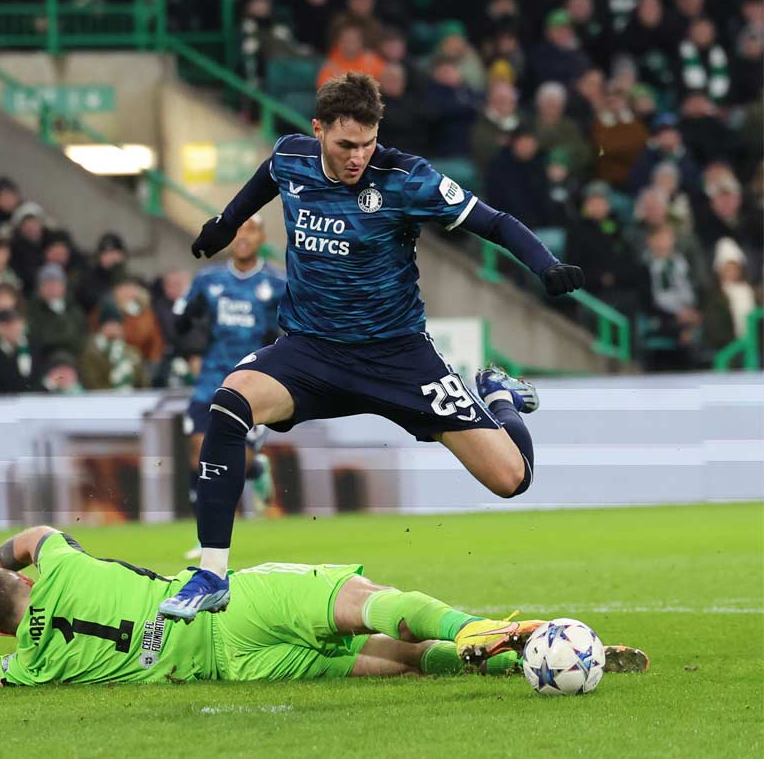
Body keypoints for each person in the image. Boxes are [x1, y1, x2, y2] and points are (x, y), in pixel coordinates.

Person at [160, 73, 585, 623]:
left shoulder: (408, 178)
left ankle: (496, 395)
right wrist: (225, 223)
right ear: (318, 131)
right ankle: (211, 573)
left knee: (512, 480)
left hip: (398, 357)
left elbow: (495, 223)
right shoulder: (292, 157)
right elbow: (268, 177)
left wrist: (546, 266)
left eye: (367, 143)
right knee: (229, 401)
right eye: (345, 145)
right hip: (312, 350)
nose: (358, 156)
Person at [0, 525, 648, 688]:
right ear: (19, 584)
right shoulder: (53, 561)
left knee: (378, 662)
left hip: (226, 667)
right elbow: (27, 535)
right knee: (370, 604)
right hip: (228, 607)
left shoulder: (32, 663)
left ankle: (494, 655)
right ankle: (487, 633)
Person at [174, 215, 285, 531]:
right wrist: (192, 353)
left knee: (238, 459)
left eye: (250, 229)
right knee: (198, 453)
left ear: (262, 237)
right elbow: (183, 321)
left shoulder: (277, 285)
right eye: (236, 230)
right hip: (210, 378)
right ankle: (209, 531)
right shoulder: (208, 281)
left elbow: (292, 331)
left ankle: (256, 470)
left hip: (251, 381)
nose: (242, 237)